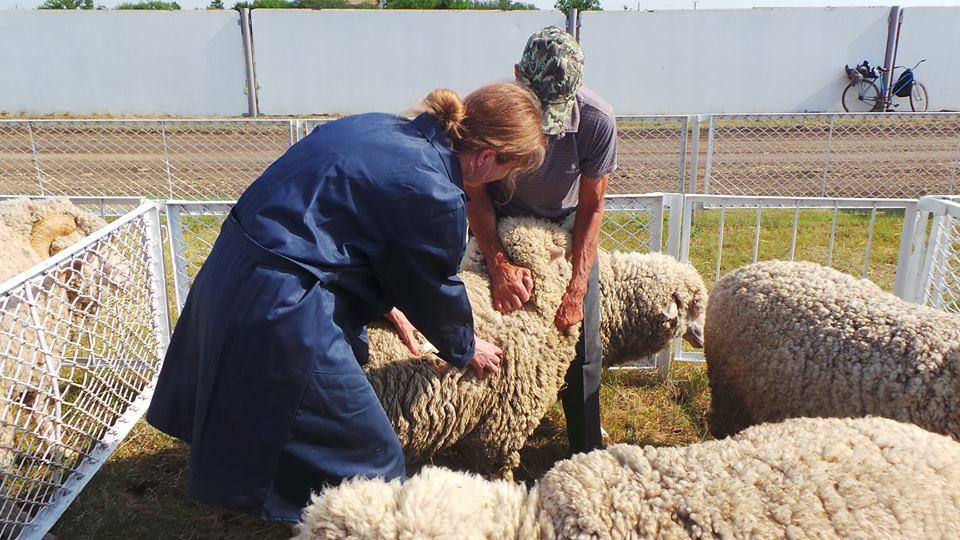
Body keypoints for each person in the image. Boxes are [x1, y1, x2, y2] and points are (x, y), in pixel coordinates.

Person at [145, 83, 546, 522]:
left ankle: (289, 506)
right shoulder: (435, 190)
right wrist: (466, 346)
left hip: (232, 272)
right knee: (372, 462)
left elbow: (347, 223)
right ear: (487, 156)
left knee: (279, 409)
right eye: (508, 170)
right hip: (282, 305)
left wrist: (384, 302)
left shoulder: (376, 126)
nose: (501, 181)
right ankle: (337, 525)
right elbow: (431, 284)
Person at [465, 27, 617, 455]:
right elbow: (475, 192)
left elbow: (592, 206)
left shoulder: (596, 120)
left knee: (581, 337)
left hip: (565, 227)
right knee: (486, 321)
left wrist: (577, 287)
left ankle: (586, 450)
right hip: (501, 217)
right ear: (516, 76)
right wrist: (497, 263)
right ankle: (486, 437)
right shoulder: (492, 114)